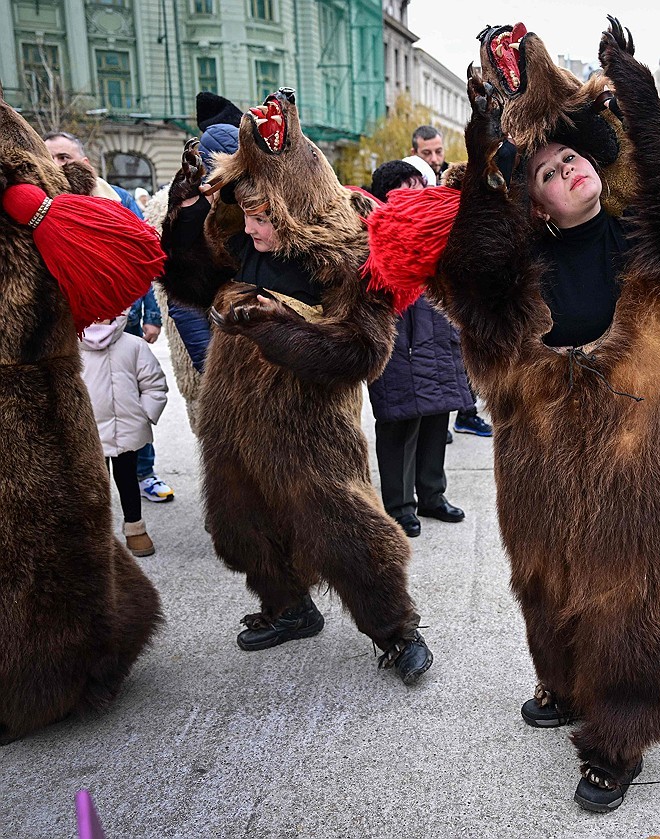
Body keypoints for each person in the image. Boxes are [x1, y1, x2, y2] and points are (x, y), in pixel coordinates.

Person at [434, 19, 660, 812]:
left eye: (570, 158)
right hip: (539, 462)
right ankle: (564, 686)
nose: (567, 170)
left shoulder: (650, 244)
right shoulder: (518, 268)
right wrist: (477, 141)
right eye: (549, 173)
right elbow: (473, 272)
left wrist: (632, 86)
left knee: (633, 599)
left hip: (642, 461)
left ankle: (619, 736)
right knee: (547, 581)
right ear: (532, 204)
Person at [159, 89, 432, 682]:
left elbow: (365, 350)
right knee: (239, 524)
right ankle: (288, 608)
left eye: (262, 218)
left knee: (342, 530)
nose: (251, 228)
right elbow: (190, 284)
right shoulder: (239, 239)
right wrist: (181, 217)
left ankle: (395, 629)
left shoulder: (347, 255)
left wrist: (280, 333)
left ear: (293, 212)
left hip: (308, 429)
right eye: (247, 216)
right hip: (232, 421)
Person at [44, 130, 176, 503]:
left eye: (65, 158)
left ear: (84, 163)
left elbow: (143, 256)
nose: (57, 166)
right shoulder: (44, 206)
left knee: (128, 398)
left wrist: (151, 315)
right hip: (69, 323)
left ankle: (143, 472)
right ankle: (86, 479)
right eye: (50, 158)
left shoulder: (115, 199)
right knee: (89, 398)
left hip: (122, 316)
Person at [367, 160, 471, 537]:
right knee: (399, 424)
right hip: (398, 343)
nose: (416, 194)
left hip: (437, 339)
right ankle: (399, 505)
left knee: (435, 417)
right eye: (406, 187)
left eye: (418, 185)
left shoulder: (434, 227)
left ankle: (432, 494)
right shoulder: (374, 233)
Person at [79, 311, 169, 557]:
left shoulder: (133, 345)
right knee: (93, 487)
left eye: (104, 314)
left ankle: (134, 527)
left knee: (128, 480)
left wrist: (144, 415)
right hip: (87, 433)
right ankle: (96, 535)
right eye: (92, 312)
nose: (98, 320)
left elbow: (154, 384)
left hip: (125, 432)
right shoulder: (71, 347)